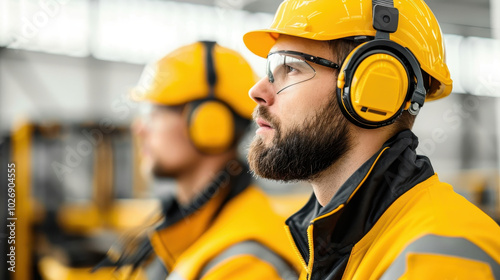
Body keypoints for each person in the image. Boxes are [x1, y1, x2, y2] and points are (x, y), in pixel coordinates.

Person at [242, 0, 500, 279]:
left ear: (375, 84)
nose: (257, 90)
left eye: (290, 67)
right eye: (270, 70)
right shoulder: (332, 246)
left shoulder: (438, 257)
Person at [95, 41, 301, 279]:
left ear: (208, 123)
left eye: (153, 113)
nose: (139, 128)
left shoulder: (244, 263)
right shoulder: (197, 233)